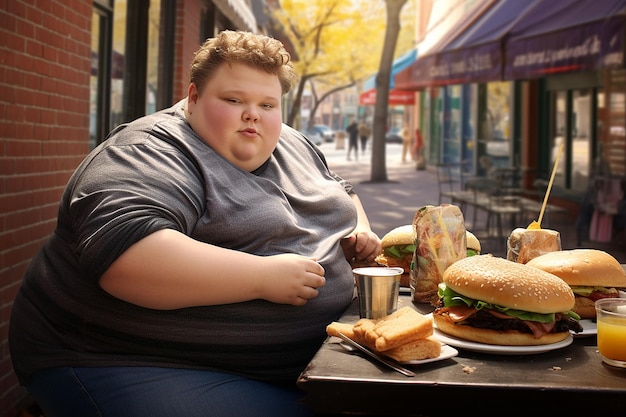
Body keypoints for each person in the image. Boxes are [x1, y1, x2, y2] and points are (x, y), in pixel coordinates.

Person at [8, 31, 381, 417]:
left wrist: (361, 231)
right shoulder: (147, 151)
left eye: (267, 103)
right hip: (128, 359)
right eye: (234, 100)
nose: (252, 113)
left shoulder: (291, 141)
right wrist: (261, 276)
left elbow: (340, 188)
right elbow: (128, 260)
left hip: (311, 361)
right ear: (194, 96)